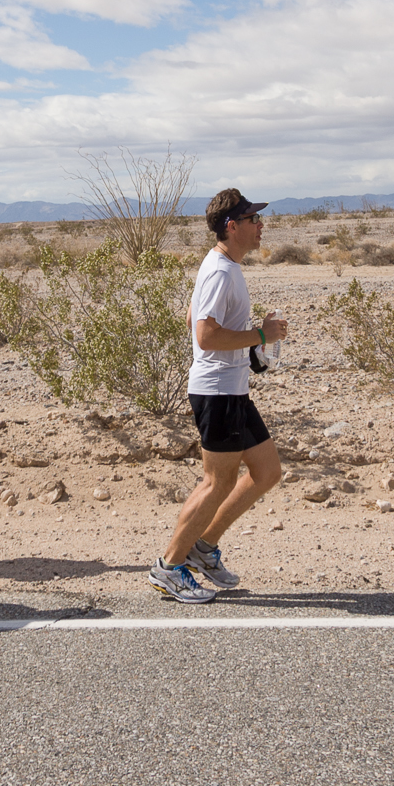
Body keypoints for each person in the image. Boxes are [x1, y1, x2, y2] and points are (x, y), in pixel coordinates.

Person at [148, 188, 288, 605]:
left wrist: (252, 343)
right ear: (233, 226)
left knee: (267, 472)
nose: (261, 226)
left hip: (233, 389)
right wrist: (261, 336)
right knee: (217, 481)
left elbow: (194, 316)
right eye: (253, 220)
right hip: (217, 392)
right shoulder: (220, 272)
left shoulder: (223, 266)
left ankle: (203, 548)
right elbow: (205, 335)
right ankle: (170, 567)